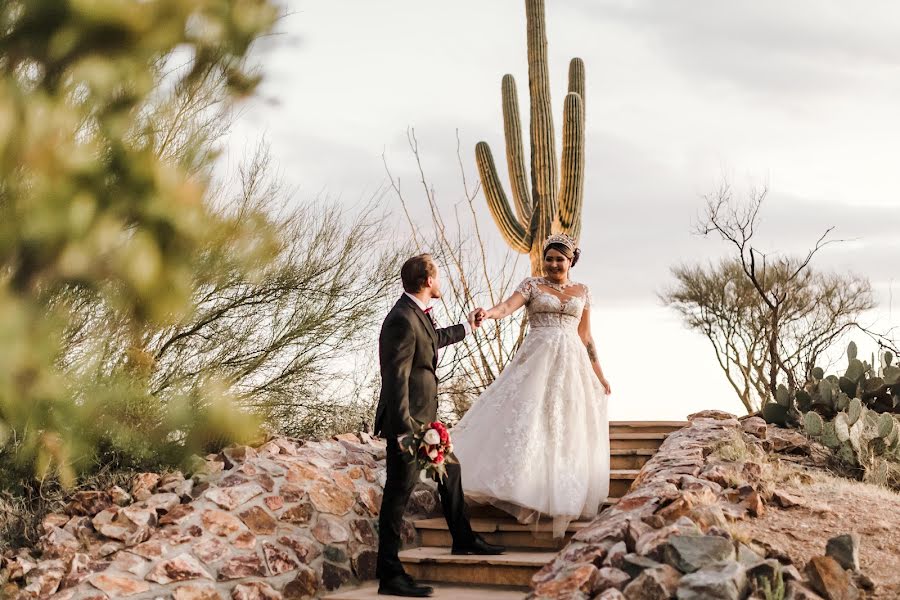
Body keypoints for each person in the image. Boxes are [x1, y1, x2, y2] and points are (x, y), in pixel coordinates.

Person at [452, 233, 611, 538]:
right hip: (537, 358)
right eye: (548, 258)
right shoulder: (532, 285)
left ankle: (552, 493)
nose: (553, 264)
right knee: (530, 419)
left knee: (563, 425)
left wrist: (599, 374)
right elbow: (506, 307)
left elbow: (586, 336)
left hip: (571, 364)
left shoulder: (583, 291)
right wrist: (488, 312)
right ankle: (521, 492)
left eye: (559, 259)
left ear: (570, 261)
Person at [374, 254, 505, 598]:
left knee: (452, 473)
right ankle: (389, 575)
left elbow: (433, 339)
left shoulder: (415, 314)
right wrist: (403, 432)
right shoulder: (401, 319)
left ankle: (463, 540)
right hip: (409, 425)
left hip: (424, 422)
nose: (441, 281)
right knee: (397, 496)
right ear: (429, 280)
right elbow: (395, 378)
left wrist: (468, 326)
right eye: (439, 276)